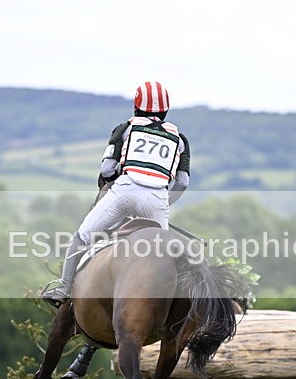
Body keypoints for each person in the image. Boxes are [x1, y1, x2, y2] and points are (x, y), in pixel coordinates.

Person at [40, 81, 191, 308]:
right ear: (166, 110)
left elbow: (107, 170)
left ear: (136, 106)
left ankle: (63, 288)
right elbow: (182, 182)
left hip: (123, 193)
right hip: (156, 201)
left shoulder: (126, 128)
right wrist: (164, 203)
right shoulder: (179, 139)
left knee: (81, 237)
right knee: (165, 256)